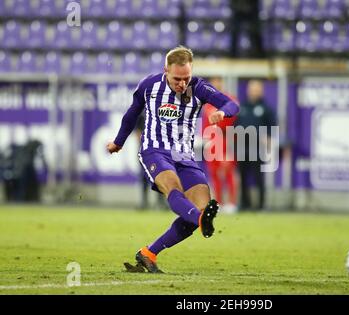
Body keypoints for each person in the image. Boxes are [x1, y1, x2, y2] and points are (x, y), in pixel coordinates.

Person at [107, 46, 239, 273]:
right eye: (177, 79)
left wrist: (222, 113)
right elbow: (131, 114)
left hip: (184, 155)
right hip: (155, 150)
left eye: (186, 78)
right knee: (174, 189)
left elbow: (232, 104)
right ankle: (200, 219)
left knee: (200, 208)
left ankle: (149, 253)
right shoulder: (149, 86)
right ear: (165, 70)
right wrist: (119, 141)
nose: (182, 84)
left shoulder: (198, 87)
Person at [235, 79, 276, 211]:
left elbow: (272, 126)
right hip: (242, 146)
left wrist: (268, 139)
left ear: (261, 91)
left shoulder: (266, 108)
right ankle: (245, 203)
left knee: (259, 177)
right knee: (243, 177)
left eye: (256, 89)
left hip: (258, 148)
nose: (254, 92)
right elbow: (236, 125)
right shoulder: (242, 107)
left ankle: (261, 205)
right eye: (252, 89)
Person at [201, 77, 238, 213]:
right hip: (212, 142)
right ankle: (219, 203)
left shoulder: (230, 100)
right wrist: (206, 139)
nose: (216, 85)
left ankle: (232, 203)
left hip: (225, 139)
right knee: (214, 173)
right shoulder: (208, 102)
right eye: (214, 83)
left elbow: (231, 120)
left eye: (218, 82)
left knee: (228, 171)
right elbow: (206, 123)